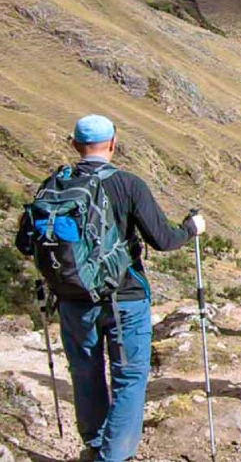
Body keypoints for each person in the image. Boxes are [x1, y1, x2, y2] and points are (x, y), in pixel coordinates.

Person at [15, 115, 206, 462]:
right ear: (114, 143)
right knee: (129, 377)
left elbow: (25, 243)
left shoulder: (54, 185)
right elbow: (162, 239)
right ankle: (114, 455)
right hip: (125, 297)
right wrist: (191, 228)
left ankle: (94, 444)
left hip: (72, 298)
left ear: (74, 144)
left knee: (85, 372)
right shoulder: (128, 185)